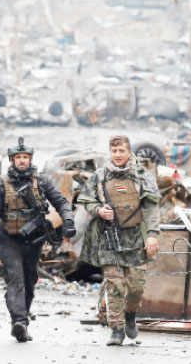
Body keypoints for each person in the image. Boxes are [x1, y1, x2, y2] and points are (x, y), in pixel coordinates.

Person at [0, 137, 76, 342]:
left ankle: (21, 316)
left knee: (30, 280)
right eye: (18, 157)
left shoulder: (41, 181)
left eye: (25, 157)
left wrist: (68, 220)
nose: (22, 161)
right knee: (15, 279)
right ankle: (19, 321)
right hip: (9, 240)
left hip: (33, 241)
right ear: (12, 160)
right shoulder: (0, 184)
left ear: (30, 159)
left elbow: (60, 202)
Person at [77, 135, 161, 346]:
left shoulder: (142, 176)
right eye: (114, 151)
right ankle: (116, 329)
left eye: (121, 151)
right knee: (115, 285)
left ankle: (130, 314)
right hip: (109, 238)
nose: (117, 155)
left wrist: (152, 235)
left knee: (136, 286)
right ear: (110, 153)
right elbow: (86, 200)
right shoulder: (99, 176)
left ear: (129, 152)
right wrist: (98, 210)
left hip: (135, 238)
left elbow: (151, 208)